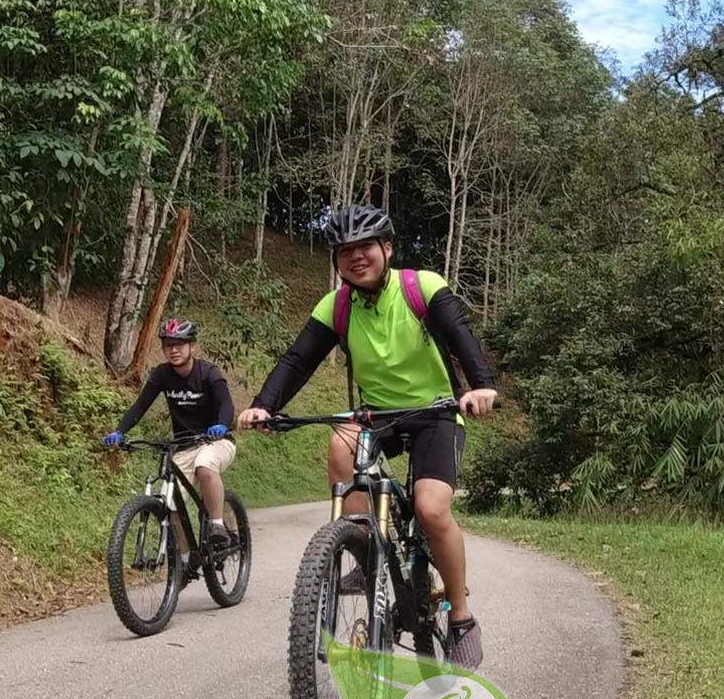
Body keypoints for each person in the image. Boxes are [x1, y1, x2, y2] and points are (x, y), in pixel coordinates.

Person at [236, 204, 498, 669]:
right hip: (378, 415)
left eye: (365, 247)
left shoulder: (422, 288)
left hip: (436, 411)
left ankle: (460, 616)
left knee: (431, 509)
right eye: (344, 251)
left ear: (387, 249)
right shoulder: (335, 306)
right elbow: (298, 361)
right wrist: (265, 404)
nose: (356, 257)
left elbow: (460, 335)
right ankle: (360, 544)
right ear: (337, 260)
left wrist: (479, 384)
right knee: (340, 442)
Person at [103, 319, 237, 571]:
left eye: (179, 344)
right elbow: (140, 406)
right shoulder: (162, 374)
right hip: (184, 446)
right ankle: (187, 560)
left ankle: (217, 524)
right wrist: (119, 431)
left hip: (217, 441)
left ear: (192, 347)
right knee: (169, 501)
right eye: (168, 345)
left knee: (205, 465)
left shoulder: (209, 373)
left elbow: (226, 405)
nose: (173, 350)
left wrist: (222, 424)